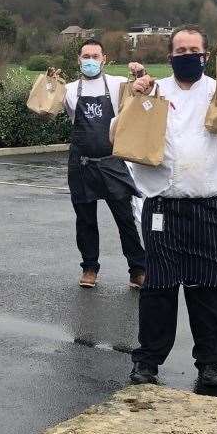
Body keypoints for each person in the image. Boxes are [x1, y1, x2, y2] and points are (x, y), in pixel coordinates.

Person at [125, 27, 217, 390]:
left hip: (208, 205)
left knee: (208, 290)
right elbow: (120, 135)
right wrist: (135, 99)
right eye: (181, 49)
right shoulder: (154, 91)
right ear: (170, 56)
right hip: (163, 204)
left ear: (206, 54)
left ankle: (211, 363)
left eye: (195, 49)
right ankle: (147, 361)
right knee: (158, 290)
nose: (188, 55)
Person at [61, 39, 146, 289]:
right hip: (81, 163)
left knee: (125, 219)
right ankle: (89, 268)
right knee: (85, 219)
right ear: (79, 59)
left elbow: (143, 94)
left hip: (112, 162)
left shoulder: (119, 84)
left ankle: (138, 269)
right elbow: (46, 108)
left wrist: (141, 74)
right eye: (86, 56)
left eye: (95, 56)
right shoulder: (68, 90)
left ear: (104, 58)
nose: (90, 60)